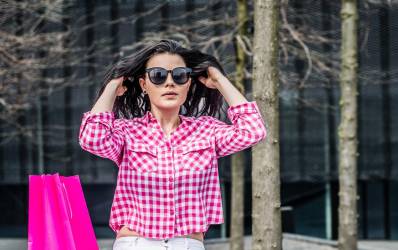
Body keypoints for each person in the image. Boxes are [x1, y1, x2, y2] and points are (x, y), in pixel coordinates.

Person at [78, 39, 267, 250]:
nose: (170, 83)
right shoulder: (127, 132)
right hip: (136, 244)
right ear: (144, 84)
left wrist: (220, 79)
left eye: (179, 75)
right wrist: (113, 85)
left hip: (187, 244)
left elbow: (253, 131)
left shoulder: (206, 130)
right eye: (158, 76)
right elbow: (91, 139)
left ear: (188, 83)